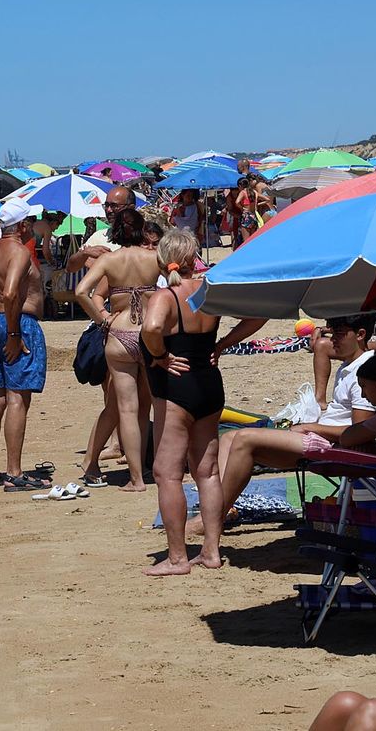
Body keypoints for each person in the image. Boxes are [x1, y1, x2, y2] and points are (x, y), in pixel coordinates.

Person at [201, 313, 376, 532]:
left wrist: (311, 426)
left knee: (244, 439)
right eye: (332, 332)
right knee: (228, 438)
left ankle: (211, 521)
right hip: (318, 436)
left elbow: (359, 431)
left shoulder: (365, 371)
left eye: (339, 334)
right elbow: (321, 347)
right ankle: (219, 511)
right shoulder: (351, 363)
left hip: (331, 446)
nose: (332, 339)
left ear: (361, 335)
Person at [140, 230, 225, 575]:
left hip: (178, 386)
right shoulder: (209, 290)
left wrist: (159, 356)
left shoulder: (166, 295)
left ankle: (177, 558)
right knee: (208, 472)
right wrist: (225, 344)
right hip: (209, 382)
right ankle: (212, 552)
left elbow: (151, 327)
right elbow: (257, 314)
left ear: (163, 260)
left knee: (167, 473)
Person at [74, 207, 160, 491]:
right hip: (149, 332)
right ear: (141, 230)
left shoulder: (110, 260)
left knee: (125, 407)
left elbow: (81, 292)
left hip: (120, 332)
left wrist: (102, 320)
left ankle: (136, 479)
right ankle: (147, 469)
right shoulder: (154, 257)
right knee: (148, 404)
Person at [0, 199, 49, 493]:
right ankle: (14, 472)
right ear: (23, 225)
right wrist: (14, 334)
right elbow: (9, 292)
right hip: (15, 324)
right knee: (17, 398)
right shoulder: (18, 252)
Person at [65, 185, 137, 272]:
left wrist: (101, 264)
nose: (109, 210)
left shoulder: (146, 236)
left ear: (131, 208)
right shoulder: (100, 236)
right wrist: (84, 254)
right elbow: (70, 268)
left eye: (114, 206)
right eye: (106, 205)